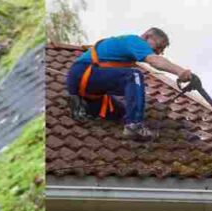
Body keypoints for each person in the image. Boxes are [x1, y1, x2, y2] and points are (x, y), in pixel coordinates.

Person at [65, 27, 193, 141]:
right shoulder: (135, 41)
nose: (158, 52)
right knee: (134, 76)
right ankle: (134, 125)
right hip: (84, 73)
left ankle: (83, 106)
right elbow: (155, 61)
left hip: (85, 86)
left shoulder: (124, 48)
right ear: (147, 36)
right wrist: (180, 71)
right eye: (159, 47)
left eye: (162, 50)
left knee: (121, 112)